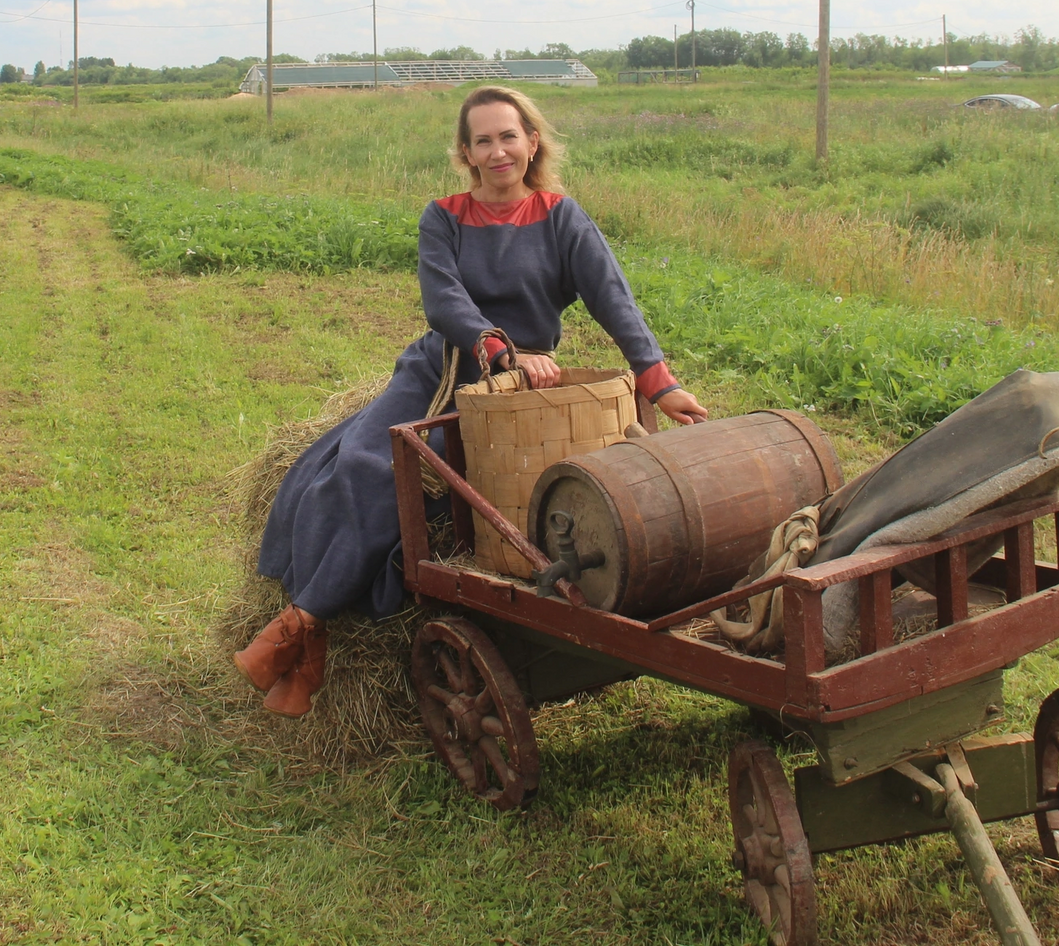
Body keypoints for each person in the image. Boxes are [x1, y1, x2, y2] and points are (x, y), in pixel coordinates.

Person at [236, 86, 710, 715]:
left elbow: (613, 299)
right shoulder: (445, 216)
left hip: (517, 392)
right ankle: (305, 626)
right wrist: (495, 344)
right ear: (465, 152)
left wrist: (659, 382)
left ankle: (303, 625)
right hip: (441, 369)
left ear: (531, 141)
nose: (497, 151)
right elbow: (444, 300)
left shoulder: (561, 216)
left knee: (431, 492)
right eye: (482, 141)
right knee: (362, 465)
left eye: (508, 136)